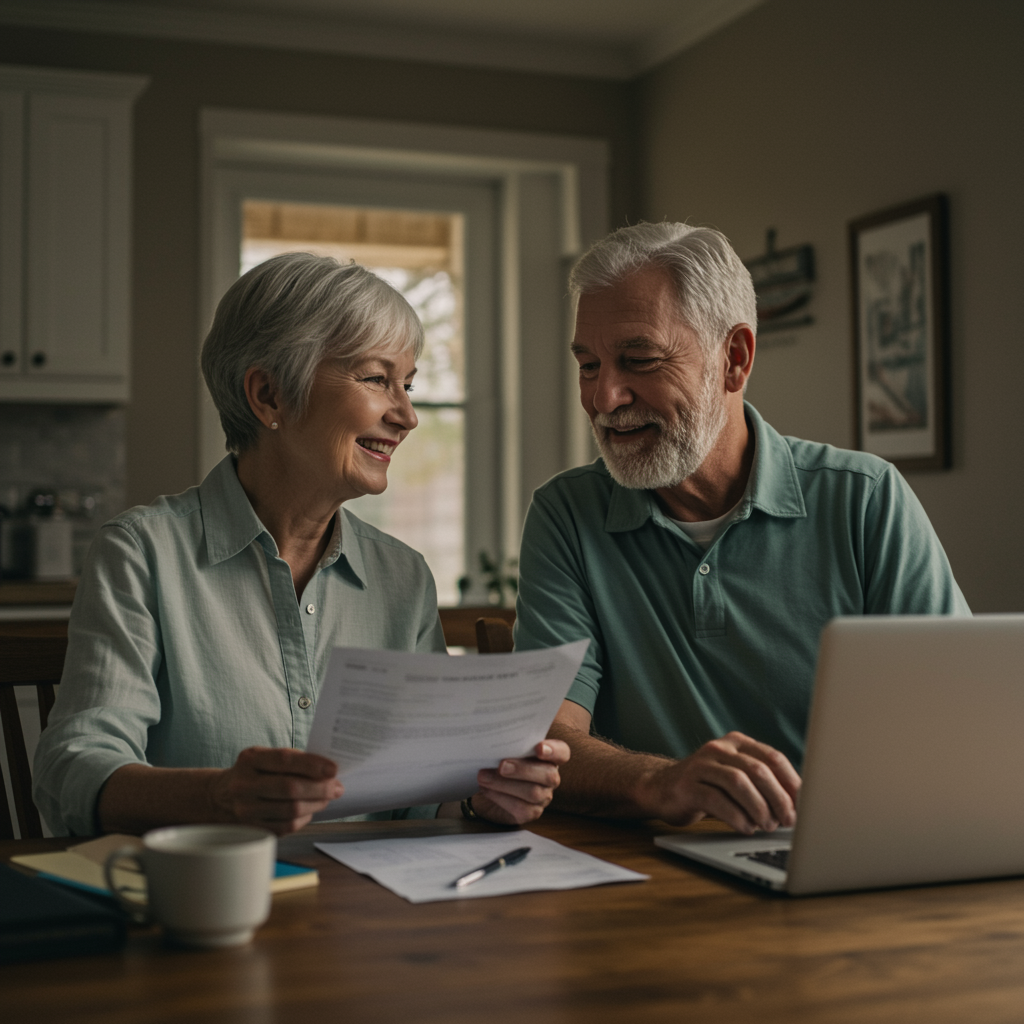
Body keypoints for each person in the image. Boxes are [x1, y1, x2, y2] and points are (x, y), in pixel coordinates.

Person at [34, 253, 567, 836]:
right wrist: (220, 798)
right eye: (376, 379)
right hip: (206, 904)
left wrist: (479, 798)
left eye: (408, 386)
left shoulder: (403, 577)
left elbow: (419, 795)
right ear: (268, 396)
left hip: (369, 910)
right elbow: (74, 772)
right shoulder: (142, 554)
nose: (408, 415)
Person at [513, 222, 968, 836]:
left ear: (734, 359)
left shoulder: (866, 499)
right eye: (588, 365)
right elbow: (545, 742)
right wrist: (663, 782)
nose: (604, 397)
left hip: (847, 851)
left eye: (637, 360)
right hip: (651, 876)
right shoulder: (567, 515)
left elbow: (957, 720)